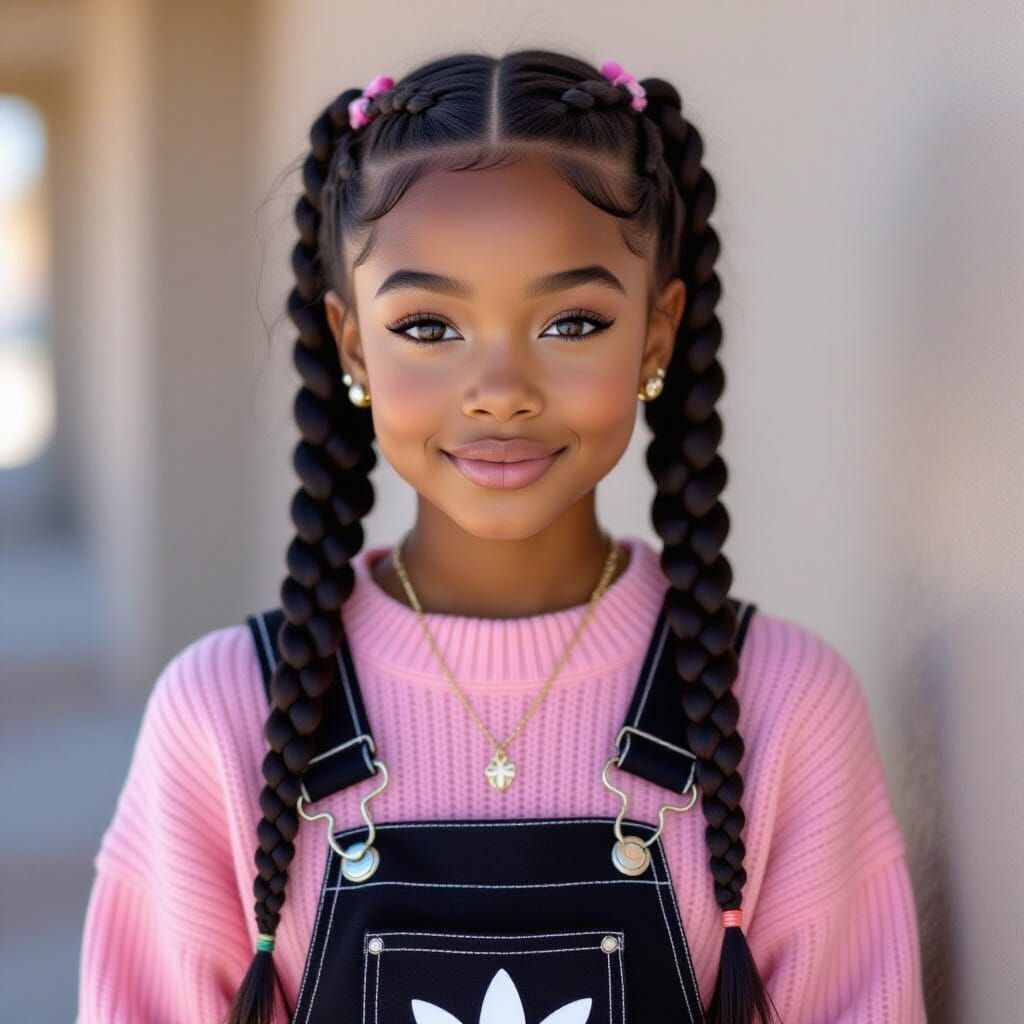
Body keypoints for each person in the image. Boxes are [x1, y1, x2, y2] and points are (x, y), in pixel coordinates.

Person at [76, 50, 927, 1024]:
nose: (501, 388)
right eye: (428, 326)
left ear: (656, 332)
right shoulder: (225, 716)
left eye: (571, 320)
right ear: (352, 341)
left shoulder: (780, 705)